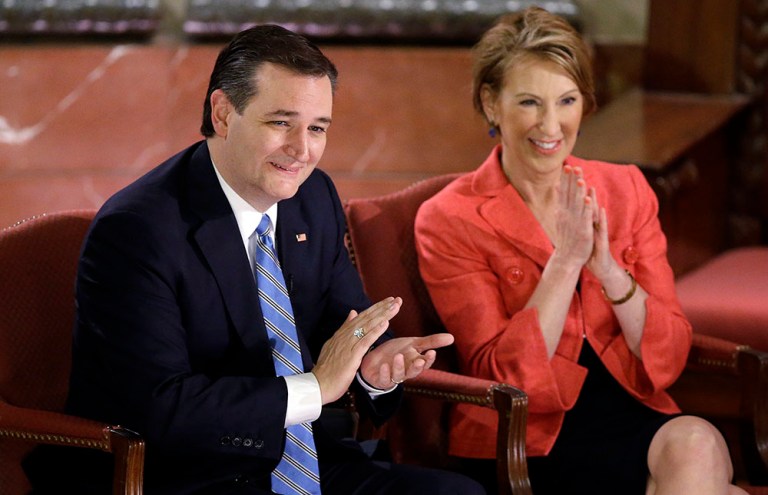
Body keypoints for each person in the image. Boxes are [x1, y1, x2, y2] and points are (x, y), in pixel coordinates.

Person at [23, 24, 485, 495]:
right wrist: (316, 389)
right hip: (186, 475)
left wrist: (373, 368)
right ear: (224, 114)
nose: (302, 150)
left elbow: (344, 321)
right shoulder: (138, 230)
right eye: (281, 123)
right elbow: (162, 406)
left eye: (317, 128)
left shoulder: (313, 197)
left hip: (306, 459)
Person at [414, 6, 747, 495]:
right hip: (526, 432)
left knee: (698, 443)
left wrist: (608, 271)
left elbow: (670, 353)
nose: (551, 125)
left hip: (632, 407)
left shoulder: (625, 188)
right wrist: (566, 261)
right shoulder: (448, 218)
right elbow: (504, 376)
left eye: (566, 101)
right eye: (529, 102)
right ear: (491, 103)